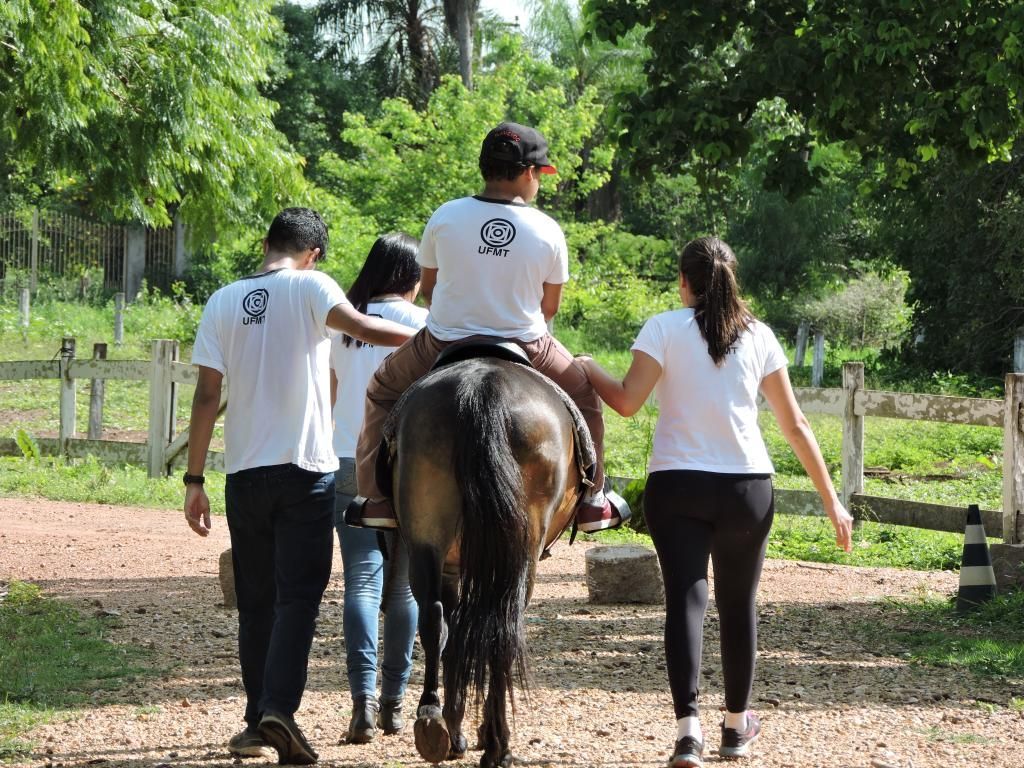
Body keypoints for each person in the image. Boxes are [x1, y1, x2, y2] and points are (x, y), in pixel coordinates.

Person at [579, 236, 853, 768]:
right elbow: (794, 426)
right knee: (738, 603)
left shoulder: (662, 327)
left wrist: (589, 367)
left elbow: (628, 403)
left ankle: (688, 733)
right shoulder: (760, 335)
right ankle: (735, 726)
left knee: (686, 599)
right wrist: (832, 501)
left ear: (684, 282)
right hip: (746, 489)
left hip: (677, 484)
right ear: (732, 281)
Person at [183, 208, 416, 766]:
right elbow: (363, 329)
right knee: (298, 600)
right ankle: (278, 711)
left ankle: (255, 718)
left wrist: (194, 479)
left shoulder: (222, 299)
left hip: (242, 473)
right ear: (314, 253)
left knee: (256, 603)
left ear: (267, 243)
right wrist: (432, 332)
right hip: (305, 471)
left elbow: (206, 397)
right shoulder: (312, 285)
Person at [349, 121, 624, 532]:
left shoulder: (445, 215)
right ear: (529, 172)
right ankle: (593, 501)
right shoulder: (548, 229)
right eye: (539, 176)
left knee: (381, 390)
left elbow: (429, 290)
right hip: (527, 342)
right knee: (584, 397)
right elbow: (549, 307)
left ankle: (376, 498)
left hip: (444, 338)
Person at [328, 234, 425, 743]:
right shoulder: (425, 324)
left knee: (361, 582)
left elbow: (332, 394)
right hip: (410, 469)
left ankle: (361, 700)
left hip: (348, 459)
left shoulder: (344, 323)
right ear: (412, 277)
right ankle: (394, 701)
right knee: (405, 587)